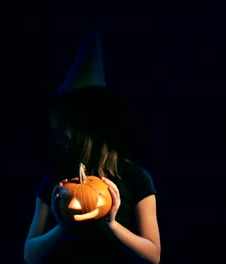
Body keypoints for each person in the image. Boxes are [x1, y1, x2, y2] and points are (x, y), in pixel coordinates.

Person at [24, 27, 160, 264]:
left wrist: (112, 225)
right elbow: (30, 255)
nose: (57, 137)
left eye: (62, 128)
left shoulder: (134, 176)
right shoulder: (57, 179)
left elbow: (153, 256)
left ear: (86, 124)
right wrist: (61, 228)